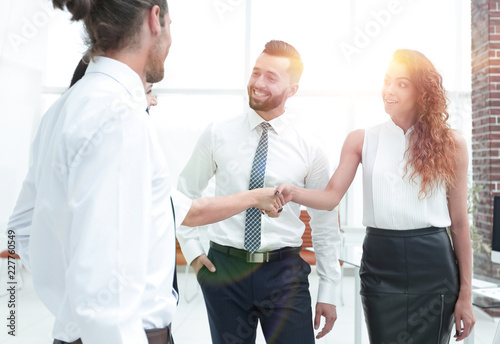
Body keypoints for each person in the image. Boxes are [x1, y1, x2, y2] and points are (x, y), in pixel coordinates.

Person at [6, 1, 283, 343]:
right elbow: (108, 300)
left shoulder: (65, 108)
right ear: (156, 19)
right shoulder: (119, 117)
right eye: (172, 24)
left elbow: (20, 229)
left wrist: (67, 297)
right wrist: (85, 305)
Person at [276, 49, 476, 343]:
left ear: (423, 92)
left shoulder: (452, 144)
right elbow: (331, 197)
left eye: (402, 83)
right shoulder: (361, 139)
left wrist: (466, 296)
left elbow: (459, 224)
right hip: (381, 265)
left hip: (433, 268)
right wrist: (293, 192)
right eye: (387, 81)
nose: (389, 90)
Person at [176, 40, 342, 344]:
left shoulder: (310, 146)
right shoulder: (218, 133)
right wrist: (193, 254)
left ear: (292, 90)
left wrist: (330, 289)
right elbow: (182, 196)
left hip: (284, 273)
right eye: (256, 72)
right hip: (224, 269)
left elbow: (325, 221)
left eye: (271, 77)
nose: (258, 83)